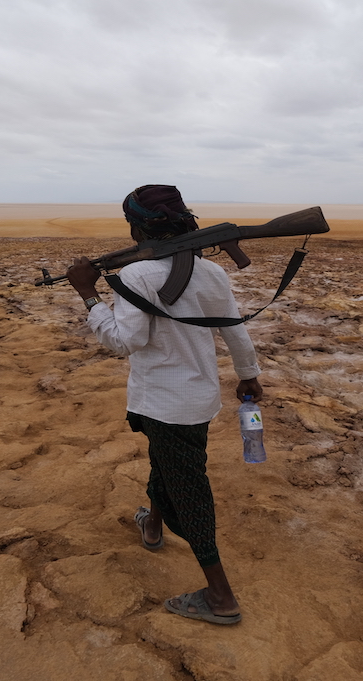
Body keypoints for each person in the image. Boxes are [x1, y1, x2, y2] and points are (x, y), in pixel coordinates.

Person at [66, 185, 261, 625]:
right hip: (197, 399)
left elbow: (124, 342)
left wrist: (89, 296)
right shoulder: (211, 273)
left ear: (136, 228)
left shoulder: (136, 277)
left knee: (189, 490)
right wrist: (249, 375)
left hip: (162, 402)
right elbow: (234, 330)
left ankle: (221, 597)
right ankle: (152, 527)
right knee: (169, 462)